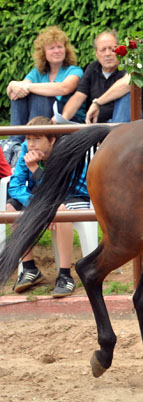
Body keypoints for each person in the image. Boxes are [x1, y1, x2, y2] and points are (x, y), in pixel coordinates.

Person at [7, 116, 90, 298]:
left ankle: (65, 275)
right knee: (11, 208)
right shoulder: (24, 150)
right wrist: (41, 207)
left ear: (51, 140)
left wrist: (35, 169)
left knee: (60, 212)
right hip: (43, 196)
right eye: (28, 138)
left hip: (73, 195)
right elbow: (15, 186)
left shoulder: (64, 150)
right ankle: (29, 268)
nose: (31, 144)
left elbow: (63, 186)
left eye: (37, 139)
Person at [6, 26, 84, 142]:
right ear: (43, 53)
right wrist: (12, 85)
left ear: (66, 50)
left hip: (66, 119)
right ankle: (15, 143)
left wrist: (27, 86)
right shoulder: (37, 73)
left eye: (59, 47)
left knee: (39, 98)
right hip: (43, 117)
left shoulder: (74, 70)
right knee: (19, 97)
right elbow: (16, 91)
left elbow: (64, 88)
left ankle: (34, 142)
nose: (56, 51)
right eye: (51, 48)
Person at [60, 30, 142, 124]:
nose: (108, 54)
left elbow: (128, 83)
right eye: (103, 50)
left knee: (127, 95)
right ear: (96, 53)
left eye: (112, 49)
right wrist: (63, 119)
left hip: (131, 126)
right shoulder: (92, 69)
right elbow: (78, 96)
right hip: (101, 126)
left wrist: (97, 103)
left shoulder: (129, 65)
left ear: (119, 50)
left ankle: (115, 135)